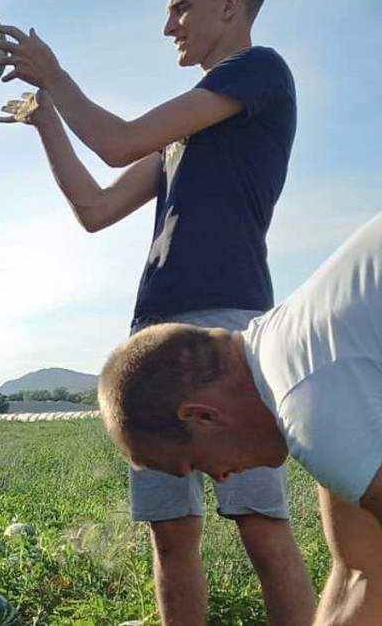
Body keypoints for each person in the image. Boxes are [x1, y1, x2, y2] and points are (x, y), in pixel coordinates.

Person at [0, 0, 315, 625]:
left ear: (231, 3)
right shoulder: (180, 139)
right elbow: (96, 208)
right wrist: (48, 120)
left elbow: (116, 139)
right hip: (154, 333)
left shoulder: (260, 71)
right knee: (170, 533)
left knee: (258, 518)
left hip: (229, 329)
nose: (169, 27)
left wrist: (59, 75)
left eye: (180, 8)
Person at [98, 211, 382, 624]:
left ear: (201, 416)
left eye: (196, 464)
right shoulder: (293, 347)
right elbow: (363, 572)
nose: (222, 478)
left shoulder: (312, 412)